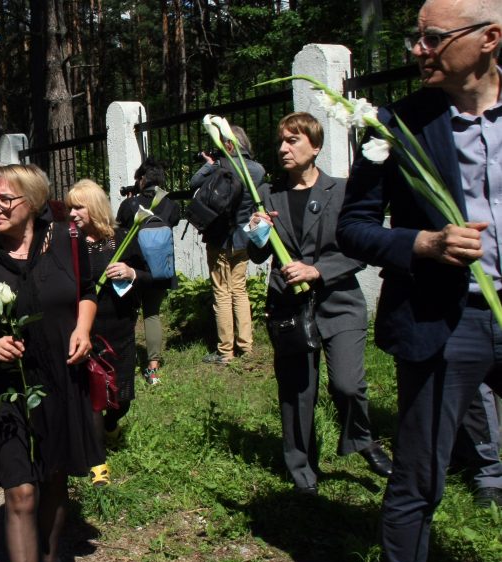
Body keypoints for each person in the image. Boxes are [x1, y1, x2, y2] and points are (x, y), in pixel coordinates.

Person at [336, 3, 502, 562]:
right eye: (416, 37)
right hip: (444, 324)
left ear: (490, 39)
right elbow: (353, 228)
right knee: (419, 477)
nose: (417, 49)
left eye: (432, 37)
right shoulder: (394, 125)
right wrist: (422, 243)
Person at [0, 164, 101, 562]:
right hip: (3, 386)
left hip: (59, 378)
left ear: (31, 203)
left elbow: (87, 291)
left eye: (3, 200)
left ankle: (50, 561)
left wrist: (84, 330)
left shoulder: (67, 241)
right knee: (19, 491)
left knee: (54, 477)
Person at [248, 112, 393, 495]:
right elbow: (257, 255)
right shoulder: (268, 195)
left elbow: (361, 246)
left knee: (347, 384)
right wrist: (257, 230)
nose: (283, 148)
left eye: (293, 140)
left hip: (338, 301)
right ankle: (302, 471)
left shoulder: (342, 191)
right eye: (281, 140)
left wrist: (317, 271)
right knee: (297, 392)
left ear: (316, 146)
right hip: (288, 309)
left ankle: (361, 439)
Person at [66, 179, 150, 486]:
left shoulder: (122, 239)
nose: (72, 213)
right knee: (93, 400)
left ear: (95, 207)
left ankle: (113, 425)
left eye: (78, 206)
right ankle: (97, 463)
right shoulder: (70, 243)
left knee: (120, 400)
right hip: (87, 330)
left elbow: (149, 277)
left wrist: (130, 273)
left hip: (120, 328)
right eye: (70, 207)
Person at [190, 126, 263, 365]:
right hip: (244, 237)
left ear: (228, 144)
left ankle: (225, 351)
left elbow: (194, 183)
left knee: (222, 293)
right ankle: (246, 346)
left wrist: (210, 163)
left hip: (220, 238)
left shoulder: (221, 167)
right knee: (240, 290)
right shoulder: (257, 170)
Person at [116, 157, 180, 385]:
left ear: (142, 179)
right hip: (159, 269)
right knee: (152, 314)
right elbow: (174, 220)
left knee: (128, 315)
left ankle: (126, 359)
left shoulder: (130, 205)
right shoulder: (170, 203)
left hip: (132, 268)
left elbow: (119, 228)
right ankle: (153, 367)